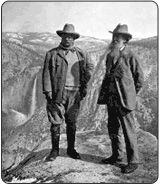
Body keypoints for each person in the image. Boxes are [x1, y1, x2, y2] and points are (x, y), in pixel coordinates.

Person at [42, 23, 93, 161]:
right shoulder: (52, 54)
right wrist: (48, 91)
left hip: (75, 93)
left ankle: (71, 149)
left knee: (72, 122)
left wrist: (85, 80)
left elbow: (90, 67)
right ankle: (55, 151)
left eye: (71, 37)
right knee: (55, 122)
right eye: (65, 36)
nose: (68, 39)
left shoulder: (81, 53)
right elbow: (46, 73)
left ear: (74, 38)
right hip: (58, 93)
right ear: (61, 37)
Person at [97, 24, 144, 174]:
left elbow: (139, 79)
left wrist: (130, 94)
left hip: (125, 100)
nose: (115, 39)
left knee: (128, 131)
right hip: (111, 98)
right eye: (114, 37)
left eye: (119, 37)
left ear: (125, 40)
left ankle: (133, 161)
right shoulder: (111, 55)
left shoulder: (131, 56)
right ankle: (117, 156)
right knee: (113, 129)